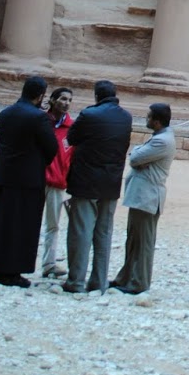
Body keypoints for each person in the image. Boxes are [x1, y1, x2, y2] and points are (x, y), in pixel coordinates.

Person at [0, 76, 59, 289]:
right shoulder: (38, 117)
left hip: (5, 175)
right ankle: (12, 272)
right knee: (22, 225)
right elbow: (51, 147)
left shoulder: (5, 113)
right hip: (29, 179)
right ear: (41, 95)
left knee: (2, 223)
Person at [62, 79, 133, 296]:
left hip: (86, 180)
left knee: (81, 231)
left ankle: (76, 281)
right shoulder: (126, 117)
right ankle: (99, 281)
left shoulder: (89, 114)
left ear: (96, 96)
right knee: (104, 233)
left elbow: (71, 138)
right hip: (111, 182)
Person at [110, 102, 175, 296]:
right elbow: (138, 157)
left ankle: (139, 283)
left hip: (147, 197)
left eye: (148, 116)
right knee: (133, 240)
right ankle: (126, 277)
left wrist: (137, 154)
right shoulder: (160, 137)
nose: (146, 119)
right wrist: (138, 154)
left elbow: (134, 158)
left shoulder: (161, 141)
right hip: (142, 197)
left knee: (143, 242)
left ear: (157, 121)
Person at [40, 87, 73, 279]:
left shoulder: (71, 128)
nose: (66, 103)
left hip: (57, 182)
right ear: (52, 100)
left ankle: (49, 264)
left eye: (69, 100)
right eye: (62, 99)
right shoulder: (41, 122)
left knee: (53, 225)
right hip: (37, 180)